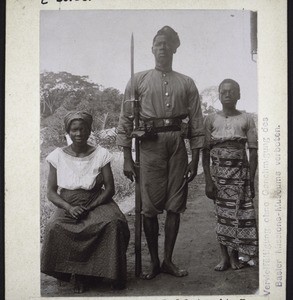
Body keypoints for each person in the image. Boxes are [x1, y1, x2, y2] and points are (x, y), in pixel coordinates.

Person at [117, 26, 205, 279]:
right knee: (149, 208)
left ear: (175, 48)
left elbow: (197, 121)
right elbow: (125, 119)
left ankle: (168, 260)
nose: (163, 47)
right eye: (158, 44)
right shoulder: (137, 80)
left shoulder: (187, 82)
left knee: (175, 206)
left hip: (177, 145)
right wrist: (126, 157)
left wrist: (195, 158)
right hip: (149, 146)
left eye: (167, 44)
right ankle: (154, 262)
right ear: (152, 48)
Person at [41, 111, 130, 293]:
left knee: (114, 223)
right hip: (68, 201)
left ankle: (112, 272)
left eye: (83, 129)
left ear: (90, 130)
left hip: (97, 200)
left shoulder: (101, 154)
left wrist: (91, 206)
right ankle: (78, 275)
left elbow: (110, 188)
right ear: (68, 131)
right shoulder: (57, 156)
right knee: (54, 227)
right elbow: (50, 192)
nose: (79, 133)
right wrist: (69, 207)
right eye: (74, 130)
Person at [202, 79, 258, 271]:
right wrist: (208, 181)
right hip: (219, 178)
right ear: (218, 95)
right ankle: (224, 258)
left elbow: (253, 151)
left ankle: (235, 257)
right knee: (222, 216)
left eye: (232, 91)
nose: (228, 94)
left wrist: (251, 179)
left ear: (239, 95)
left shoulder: (247, 118)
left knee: (239, 215)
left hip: (240, 176)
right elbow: (205, 152)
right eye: (224, 91)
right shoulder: (210, 119)